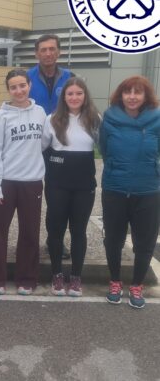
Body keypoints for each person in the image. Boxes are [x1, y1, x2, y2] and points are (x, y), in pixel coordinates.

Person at [100, 76, 160, 309]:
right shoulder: (109, 119)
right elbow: (104, 150)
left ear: (146, 96)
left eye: (138, 92)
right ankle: (115, 281)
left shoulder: (156, 119)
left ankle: (137, 285)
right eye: (128, 92)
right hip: (115, 189)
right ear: (121, 95)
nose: (132, 97)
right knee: (113, 240)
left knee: (145, 242)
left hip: (148, 191)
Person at [0, 69, 46, 295]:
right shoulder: (0, 117)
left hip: (32, 182)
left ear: (30, 85)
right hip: (6, 183)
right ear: (8, 90)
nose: (19, 91)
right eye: (13, 87)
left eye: (22, 85)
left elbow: (44, 144)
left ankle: (27, 278)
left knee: (30, 232)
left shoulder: (40, 113)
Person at [42, 77, 100, 297]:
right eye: (70, 94)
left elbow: (104, 146)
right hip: (57, 184)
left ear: (85, 96)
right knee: (55, 229)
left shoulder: (94, 119)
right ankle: (56, 274)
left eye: (79, 93)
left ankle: (76, 276)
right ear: (64, 97)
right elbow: (42, 149)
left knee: (79, 231)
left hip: (84, 185)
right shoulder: (52, 119)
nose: (74, 97)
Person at [28, 34, 74, 260]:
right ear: (37, 53)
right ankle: (28, 241)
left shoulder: (70, 78)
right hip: (32, 143)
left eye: (52, 49)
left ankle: (54, 240)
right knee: (29, 195)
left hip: (59, 144)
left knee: (57, 197)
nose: (48, 53)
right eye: (43, 49)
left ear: (59, 52)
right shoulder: (26, 77)